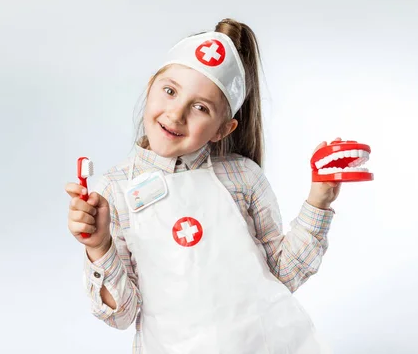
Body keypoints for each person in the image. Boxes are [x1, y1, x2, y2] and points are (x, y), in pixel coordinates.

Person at [65, 18, 341, 354]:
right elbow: (121, 314)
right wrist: (99, 245)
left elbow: (282, 274)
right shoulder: (115, 190)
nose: (176, 114)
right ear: (151, 86)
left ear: (223, 129)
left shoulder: (243, 177)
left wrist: (319, 200)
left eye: (200, 108)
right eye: (169, 91)